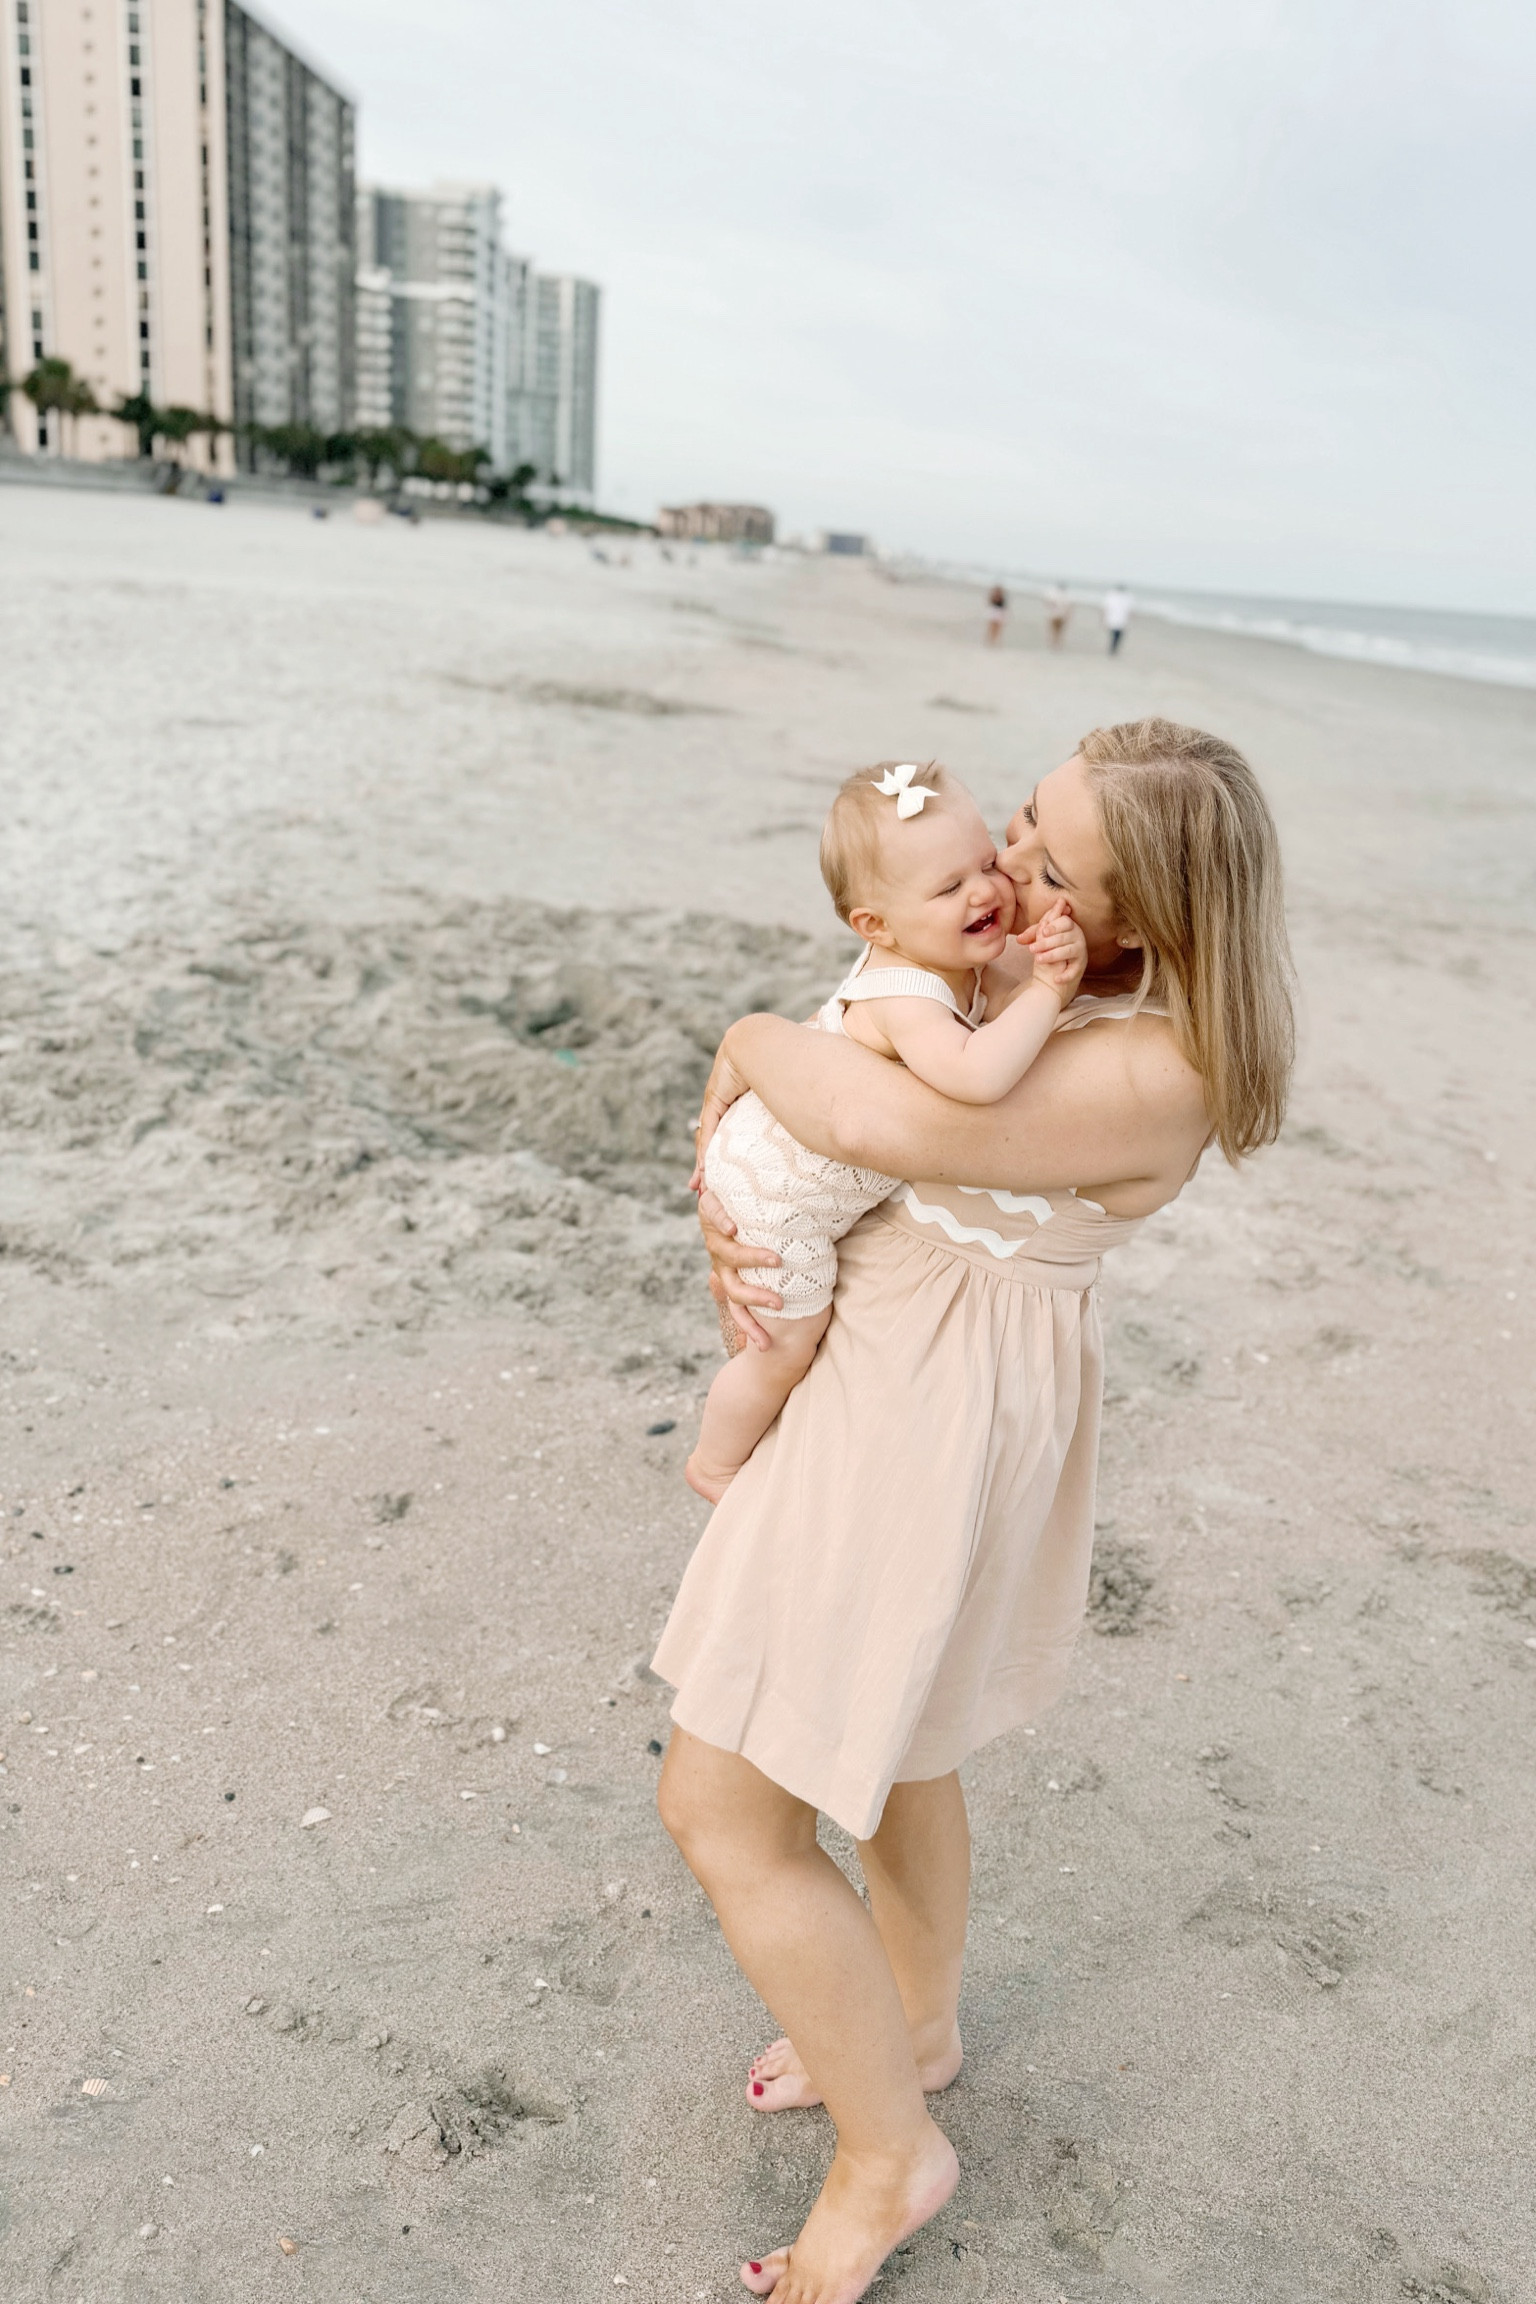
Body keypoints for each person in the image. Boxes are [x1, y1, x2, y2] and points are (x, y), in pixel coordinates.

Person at [653, 719, 1294, 2303]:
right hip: (906, 1362)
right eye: (1022, 816)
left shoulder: (1152, 1065)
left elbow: (880, 1122)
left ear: (1142, 914)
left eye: (1049, 859)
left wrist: (743, 1036)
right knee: (901, 1740)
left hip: (921, 1419)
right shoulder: (1058, 978)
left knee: (724, 1813)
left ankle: (891, 2158)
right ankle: (917, 2025)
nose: (1005, 863)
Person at [686, 761, 1087, 1501]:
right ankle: (714, 1461)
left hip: (780, 1139)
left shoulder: (936, 949)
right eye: (948, 888)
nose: (985, 891)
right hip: (780, 1195)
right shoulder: (906, 992)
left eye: (985, 863)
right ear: (875, 926)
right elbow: (976, 1075)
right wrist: (1050, 991)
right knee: (784, 1344)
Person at [1104, 583, 1133, 653]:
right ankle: (1113, 647)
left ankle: (1113, 647)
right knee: (1115, 635)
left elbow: (1129, 610)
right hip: (1115, 619)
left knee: (1116, 635)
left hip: (1119, 619)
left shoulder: (1125, 598)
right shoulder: (1113, 596)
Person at [1044, 580, 1071, 649]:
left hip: (1054, 615)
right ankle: (1057, 644)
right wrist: (1068, 616)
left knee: (1053, 630)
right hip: (1061, 616)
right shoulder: (1066, 596)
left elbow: (1049, 603)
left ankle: (1054, 643)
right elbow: (1068, 608)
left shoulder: (1053, 595)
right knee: (1059, 631)